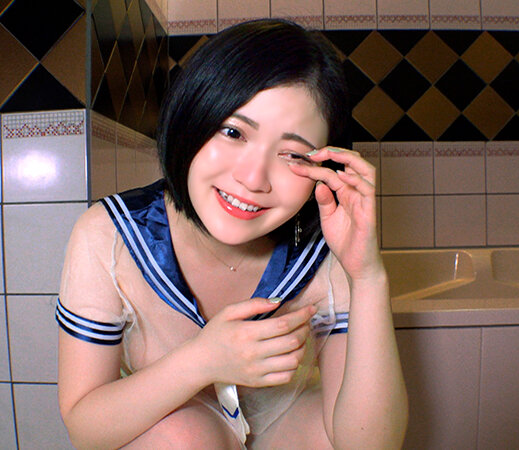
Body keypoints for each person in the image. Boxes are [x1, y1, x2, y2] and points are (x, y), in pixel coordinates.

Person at [56, 18, 408, 449]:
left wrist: (368, 277)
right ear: (191, 115)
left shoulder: (325, 248)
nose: (253, 178)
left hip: (286, 427)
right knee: (180, 438)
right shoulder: (111, 235)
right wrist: (202, 360)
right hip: (175, 434)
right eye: (233, 132)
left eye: (293, 154)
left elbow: (370, 444)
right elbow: (85, 430)